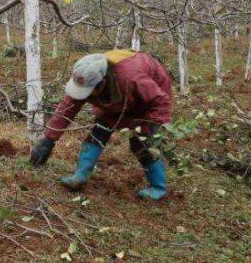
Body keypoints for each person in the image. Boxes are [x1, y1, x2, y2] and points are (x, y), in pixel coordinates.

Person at [29, 50, 173, 201]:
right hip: (117, 97)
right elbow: (68, 107)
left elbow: (160, 101)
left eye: (90, 92)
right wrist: (49, 140)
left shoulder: (132, 78)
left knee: (140, 142)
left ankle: (158, 187)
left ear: (102, 83)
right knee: (99, 130)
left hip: (151, 97)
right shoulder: (86, 76)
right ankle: (80, 176)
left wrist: (148, 128)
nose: (86, 96)